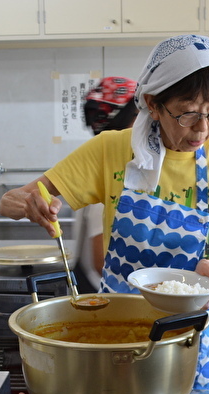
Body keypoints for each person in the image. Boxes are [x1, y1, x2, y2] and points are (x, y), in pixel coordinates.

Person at [0, 34, 209, 391]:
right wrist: (25, 204)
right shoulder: (111, 150)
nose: (202, 128)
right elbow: (13, 200)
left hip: (189, 333)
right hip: (116, 328)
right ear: (152, 104)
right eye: (187, 112)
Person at [75, 76, 139, 292]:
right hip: (108, 297)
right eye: (141, 116)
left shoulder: (127, 169)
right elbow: (102, 262)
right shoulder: (110, 180)